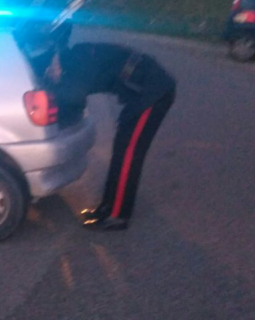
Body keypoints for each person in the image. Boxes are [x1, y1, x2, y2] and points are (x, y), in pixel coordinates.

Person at [44, 28, 177, 231]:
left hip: (153, 93)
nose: (52, 76)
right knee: (121, 151)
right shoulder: (75, 57)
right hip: (140, 94)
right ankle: (107, 207)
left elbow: (73, 98)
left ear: (55, 60)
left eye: (51, 71)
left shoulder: (78, 62)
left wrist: (49, 95)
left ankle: (118, 215)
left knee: (128, 156)